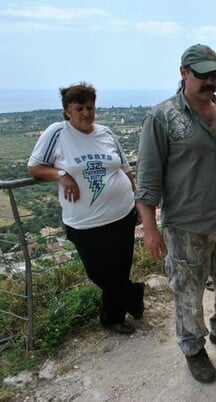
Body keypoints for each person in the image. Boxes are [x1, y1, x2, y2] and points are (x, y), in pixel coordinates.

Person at [134, 43, 216, 384]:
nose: (209, 81)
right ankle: (193, 348)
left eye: (214, 74)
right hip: (187, 226)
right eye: (202, 74)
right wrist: (150, 228)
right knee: (188, 293)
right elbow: (147, 179)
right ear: (184, 73)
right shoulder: (162, 117)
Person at [27, 82, 144, 336]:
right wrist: (61, 175)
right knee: (98, 272)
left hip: (122, 214)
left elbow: (125, 169)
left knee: (121, 268)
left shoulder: (106, 133)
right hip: (84, 222)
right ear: (67, 111)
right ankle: (133, 297)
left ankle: (113, 318)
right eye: (79, 108)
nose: (86, 113)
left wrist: (136, 201)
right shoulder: (57, 133)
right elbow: (34, 167)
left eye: (90, 107)